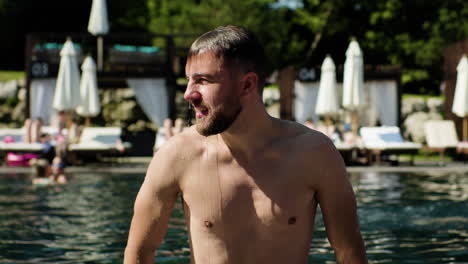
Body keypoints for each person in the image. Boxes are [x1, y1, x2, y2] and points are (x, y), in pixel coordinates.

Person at [125, 25, 367, 264]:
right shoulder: (177, 155)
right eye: (189, 80)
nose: (189, 94)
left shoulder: (314, 153)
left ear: (247, 85)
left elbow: (349, 253)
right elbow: (139, 253)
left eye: (202, 81)